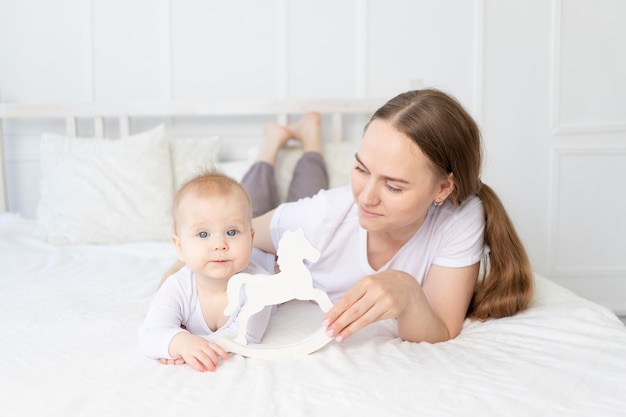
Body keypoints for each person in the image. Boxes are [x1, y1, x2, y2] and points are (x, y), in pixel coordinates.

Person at [164, 88, 534, 346]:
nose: (366, 197)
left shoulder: (462, 216)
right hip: (303, 220)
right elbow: (226, 236)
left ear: (442, 190)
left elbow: (441, 327)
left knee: (304, 191)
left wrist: (406, 289)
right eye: (360, 168)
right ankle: (271, 146)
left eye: (393, 185)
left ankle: (309, 139)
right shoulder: (323, 214)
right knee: (239, 203)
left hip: (315, 226)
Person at [139, 170, 273, 372]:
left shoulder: (260, 285)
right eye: (203, 234)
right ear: (180, 247)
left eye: (232, 232)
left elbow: (246, 335)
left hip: (271, 259)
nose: (219, 244)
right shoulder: (178, 286)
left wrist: (191, 344)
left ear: (251, 239)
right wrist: (179, 343)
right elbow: (150, 333)